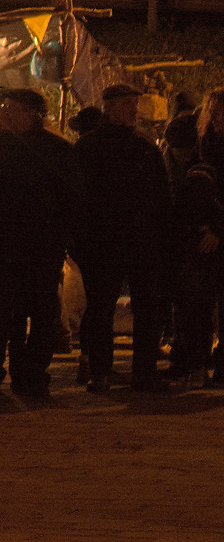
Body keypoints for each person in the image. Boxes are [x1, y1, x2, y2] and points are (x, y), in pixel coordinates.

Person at [0, 87, 79, 400]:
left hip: (41, 247)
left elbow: (71, 198)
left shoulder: (55, 150)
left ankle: (30, 373)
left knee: (43, 313)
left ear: (34, 113)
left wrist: (63, 236)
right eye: (2, 107)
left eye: (13, 107)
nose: (5, 113)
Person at [74, 80, 174, 392]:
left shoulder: (143, 146)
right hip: (104, 243)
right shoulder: (89, 148)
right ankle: (101, 371)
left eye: (135, 104)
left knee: (147, 308)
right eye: (129, 104)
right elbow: (78, 198)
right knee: (102, 307)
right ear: (111, 107)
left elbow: (160, 196)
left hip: (140, 241)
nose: (134, 110)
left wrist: (161, 236)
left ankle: (144, 373)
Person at [169, 165, 222, 387]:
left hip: (188, 270)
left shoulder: (178, 207)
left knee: (189, 319)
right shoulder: (215, 210)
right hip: (206, 270)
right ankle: (199, 368)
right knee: (202, 317)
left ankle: (192, 366)